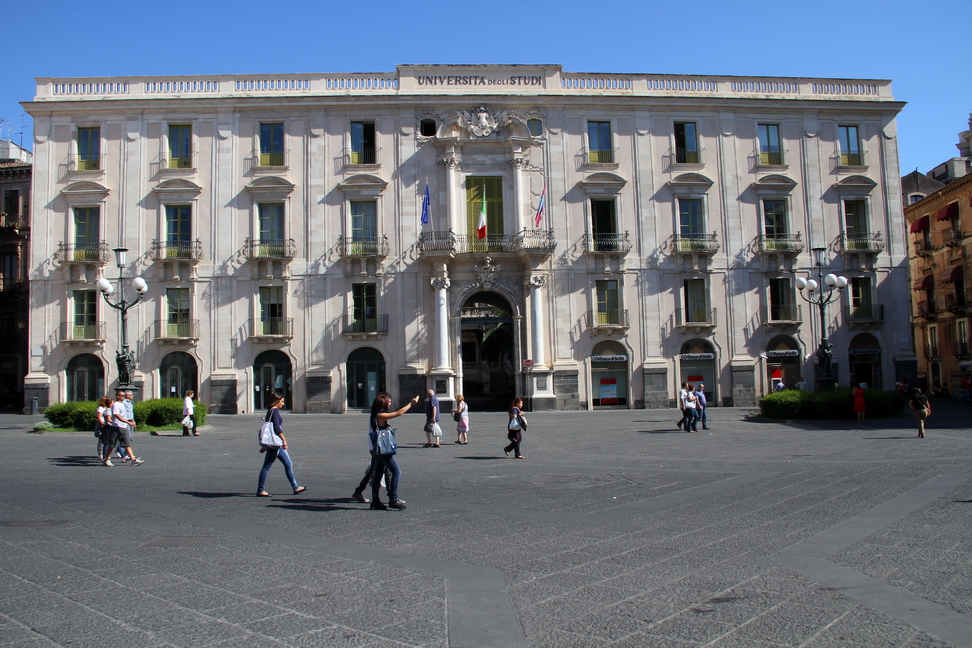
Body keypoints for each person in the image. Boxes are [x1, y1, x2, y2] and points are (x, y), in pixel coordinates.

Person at [368, 392, 418, 510]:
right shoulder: (381, 416)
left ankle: (375, 501)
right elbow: (399, 413)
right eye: (389, 402)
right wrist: (411, 403)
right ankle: (393, 499)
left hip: (378, 449)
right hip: (384, 449)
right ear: (383, 404)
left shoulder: (375, 415)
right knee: (396, 472)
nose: (390, 404)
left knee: (378, 474)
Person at [256, 393, 306, 497]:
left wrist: (265, 446)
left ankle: (295, 487)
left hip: (274, 444)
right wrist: (284, 440)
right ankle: (261, 489)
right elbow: (277, 429)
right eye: (282, 401)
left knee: (288, 464)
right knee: (267, 466)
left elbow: (268, 431)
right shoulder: (274, 411)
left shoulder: (270, 411)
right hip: (276, 443)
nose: (283, 404)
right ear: (277, 401)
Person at [104, 389, 143, 466]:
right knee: (112, 444)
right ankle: (106, 459)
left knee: (127, 443)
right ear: (117, 396)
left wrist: (131, 421)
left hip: (124, 427)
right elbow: (117, 415)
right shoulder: (116, 405)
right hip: (116, 427)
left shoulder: (122, 404)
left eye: (124, 396)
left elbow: (128, 414)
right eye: (122, 396)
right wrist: (128, 422)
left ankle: (133, 460)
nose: (123, 397)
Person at [95, 395, 112, 459]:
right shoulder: (101, 408)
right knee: (101, 439)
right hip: (102, 424)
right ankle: (101, 453)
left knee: (106, 439)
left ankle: (105, 453)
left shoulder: (106, 408)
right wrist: (102, 424)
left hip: (106, 424)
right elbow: (99, 417)